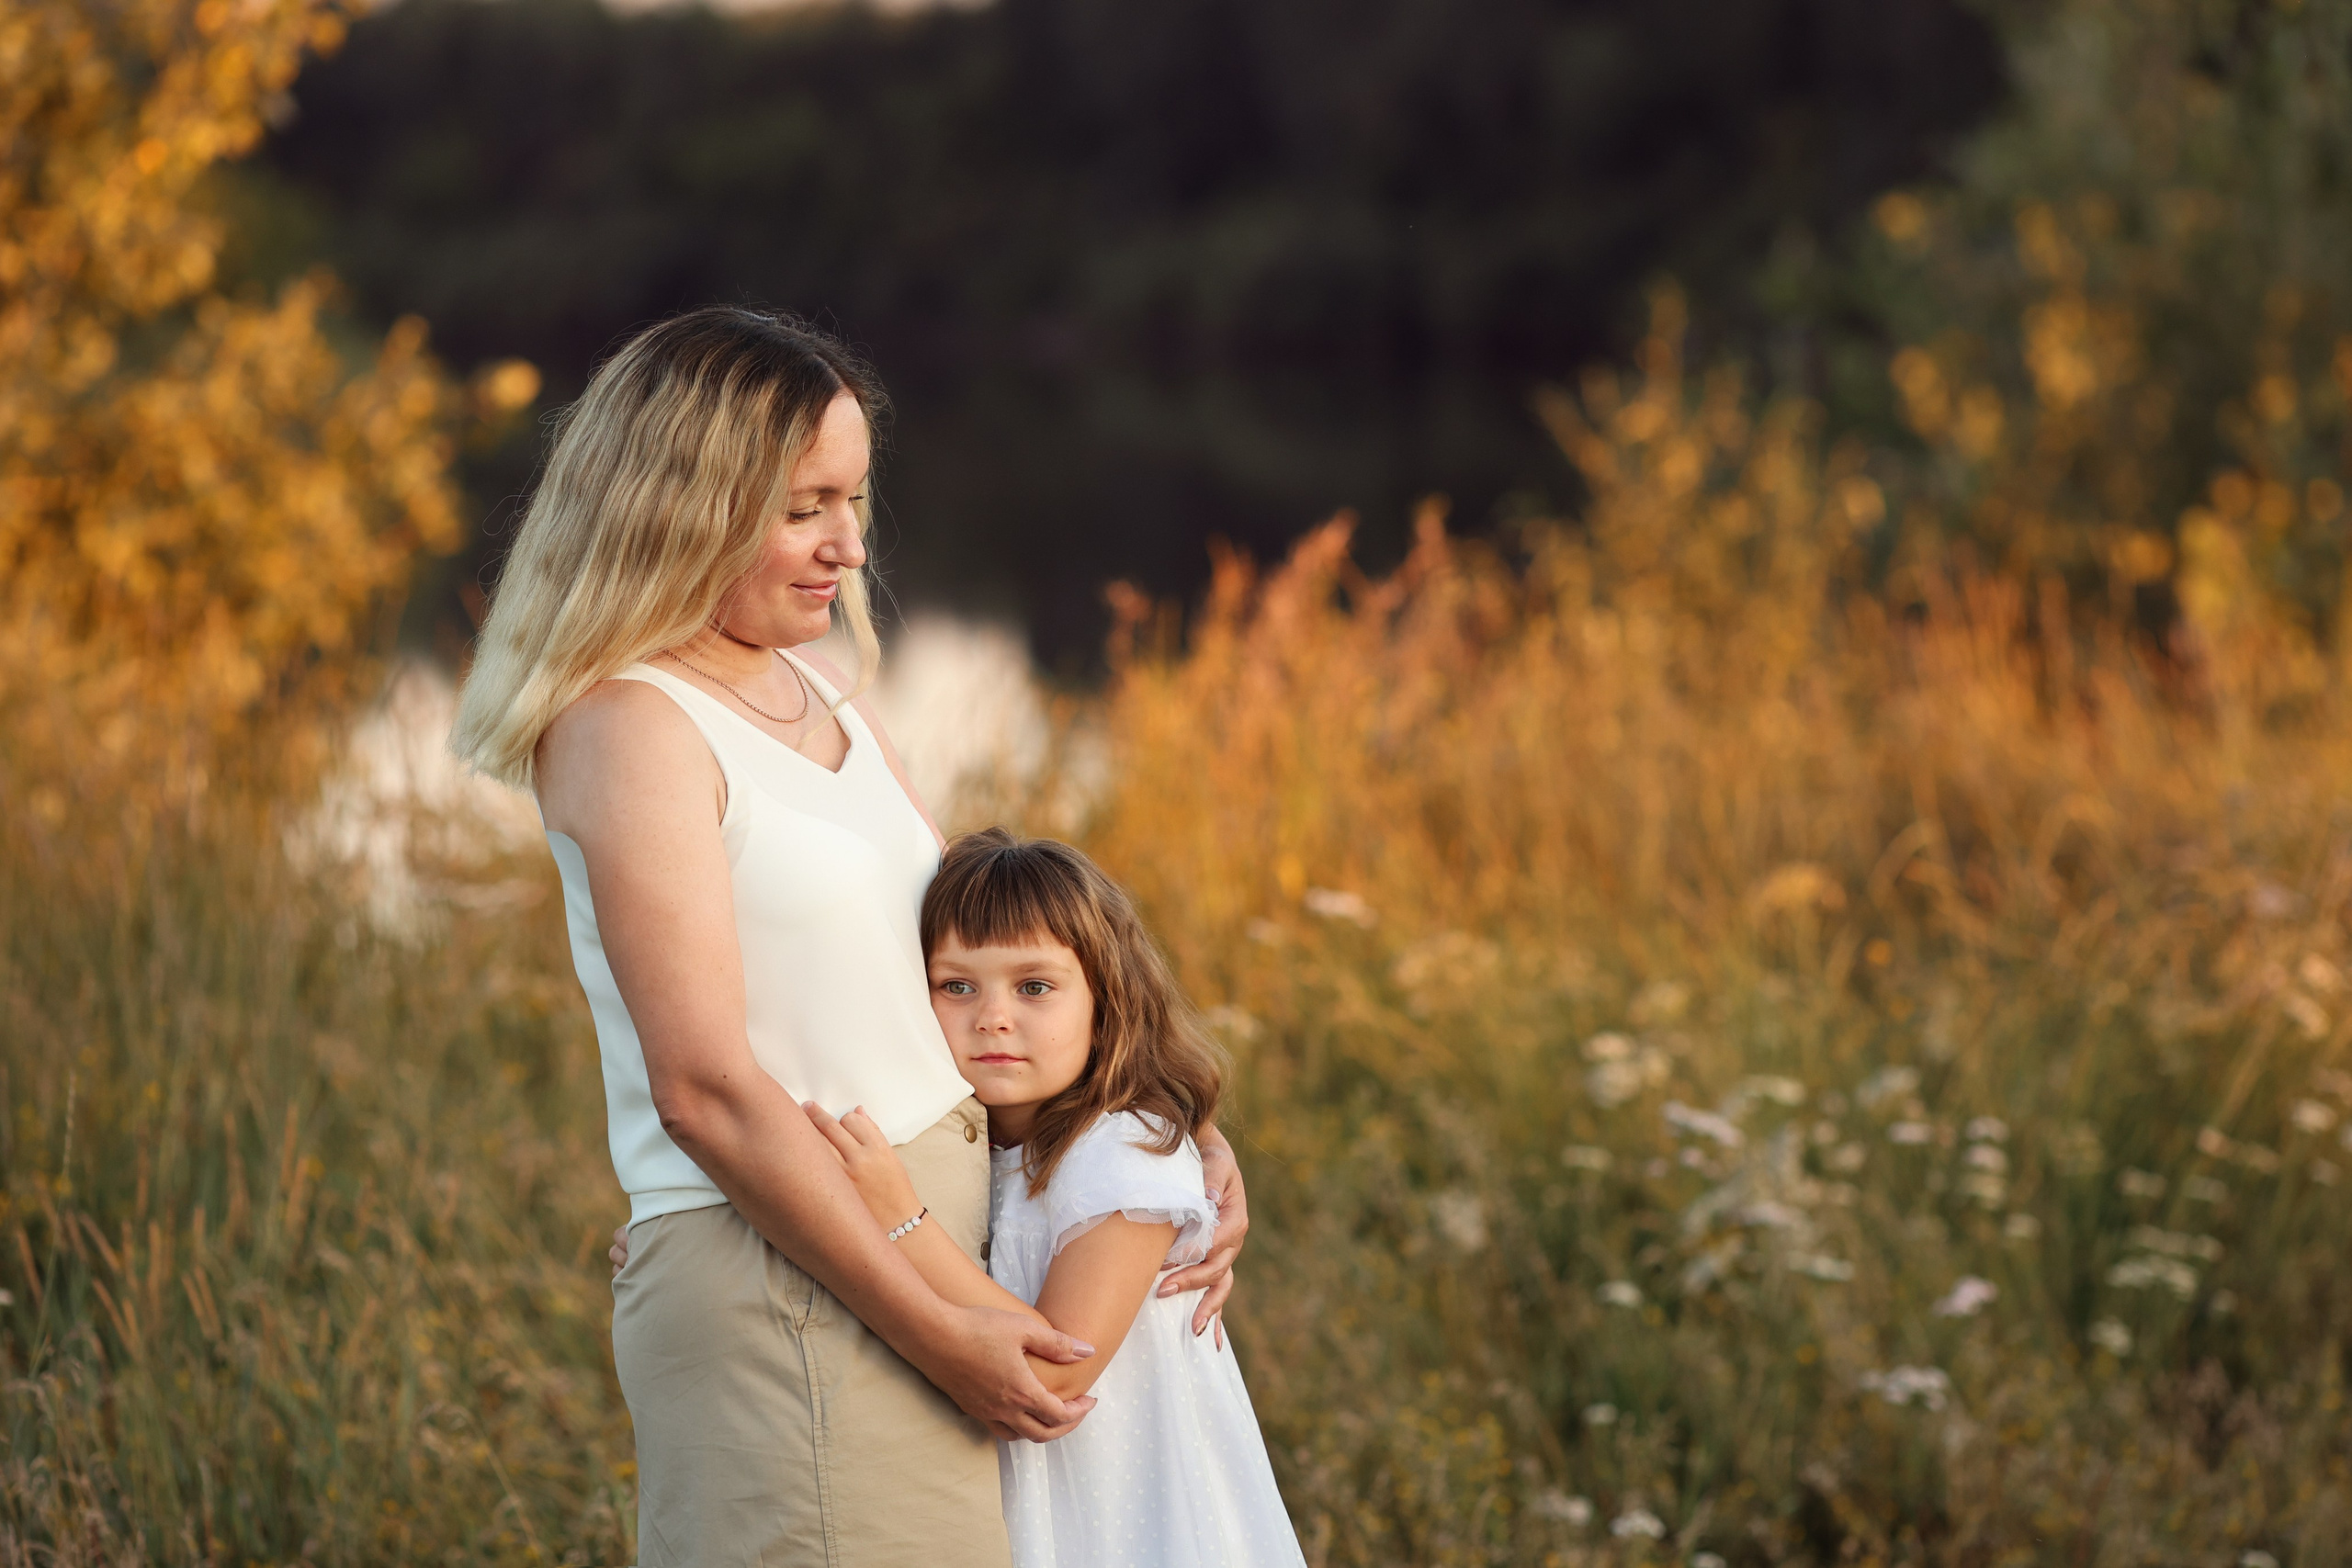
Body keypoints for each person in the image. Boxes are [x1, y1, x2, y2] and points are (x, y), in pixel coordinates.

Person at [449, 307, 1249, 1567]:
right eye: (806, 505)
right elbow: (708, 1088)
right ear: (684, 502)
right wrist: (935, 1326)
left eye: (856, 498)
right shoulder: (632, 726)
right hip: (807, 1285)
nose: (849, 545)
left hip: (920, 1264)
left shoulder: (816, 695)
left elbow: (967, 963)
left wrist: (1157, 1129)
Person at [809, 829, 1307, 1567]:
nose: (994, 1016)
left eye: (1034, 985)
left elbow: (1056, 1370)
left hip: (1131, 1516)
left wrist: (898, 1217)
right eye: (957, 985)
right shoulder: (964, 1150)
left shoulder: (1124, 1152)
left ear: (1107, 998)